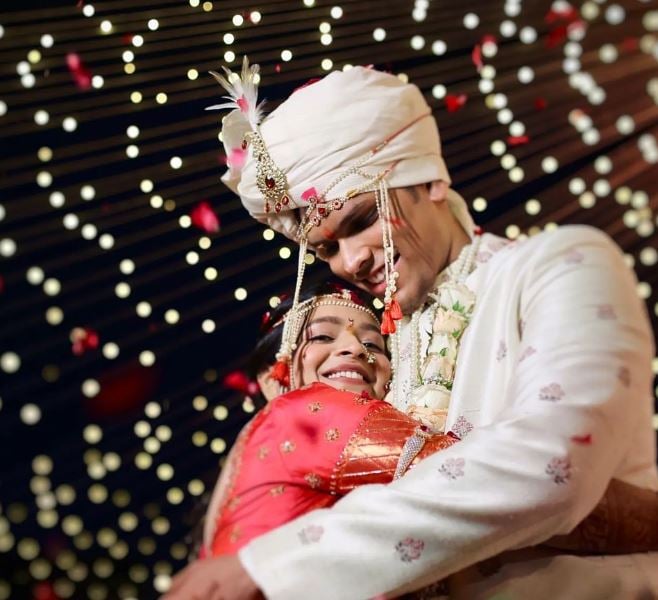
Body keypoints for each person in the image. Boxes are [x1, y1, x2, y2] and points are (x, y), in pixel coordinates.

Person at [167, 61, 658, 598]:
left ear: (431, 179)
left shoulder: (559, 263)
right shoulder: (383, 350)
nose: (349, 261)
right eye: (326, 249)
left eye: (361, 220)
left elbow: (555, 466)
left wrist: (277, 567)